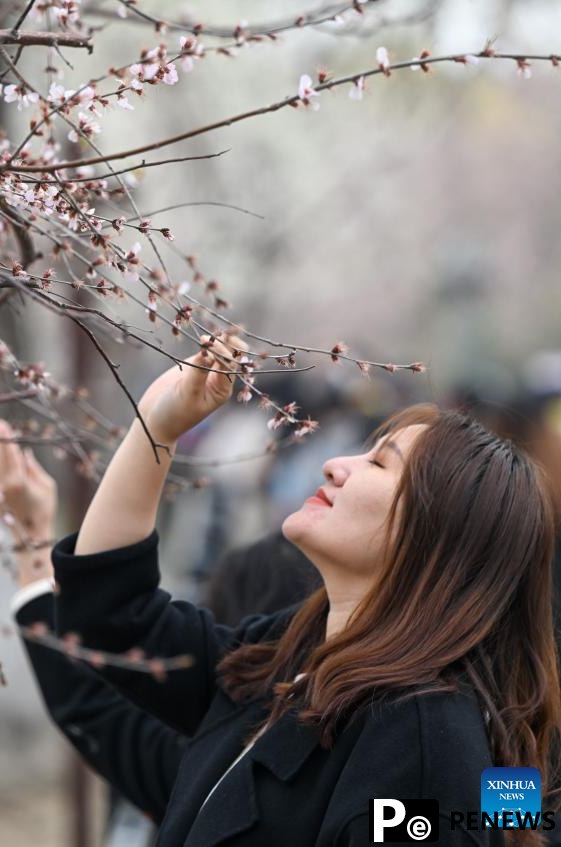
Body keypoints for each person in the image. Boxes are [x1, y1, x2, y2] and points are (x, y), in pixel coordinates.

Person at [47, 333, 561, 846]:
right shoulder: (291, 652)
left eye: (379, 463)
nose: (335, 464)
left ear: (437, 530)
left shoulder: (421, 742)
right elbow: (112, 615)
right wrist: (158, 426)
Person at [0, 420, 320, 844]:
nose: (337, 467)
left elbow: (94, 701)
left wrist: (30, 539)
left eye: (380, 462)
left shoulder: (222, 757)